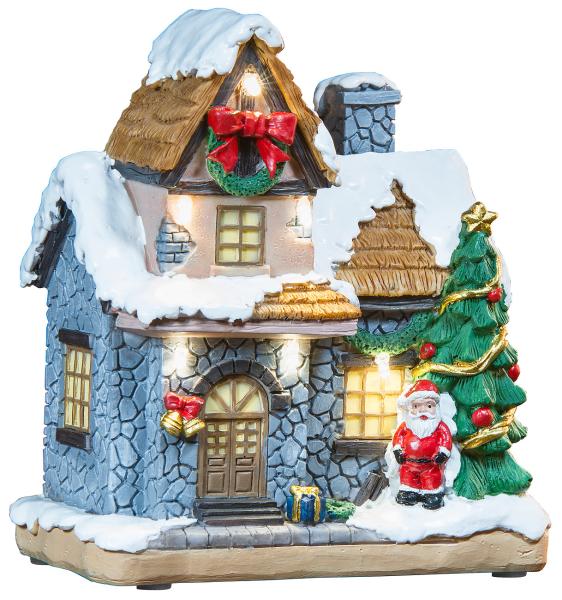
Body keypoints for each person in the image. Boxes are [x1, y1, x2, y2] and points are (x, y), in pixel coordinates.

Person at [392, 379, 452, 509]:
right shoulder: (406, 425)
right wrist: (397, 450)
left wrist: (442, 453)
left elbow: (446, 439)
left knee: (431, 480)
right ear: (410, 408)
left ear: (436, 408)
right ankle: (409, 492)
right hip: (408, 465)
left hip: (430, 466)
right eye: (416, 406)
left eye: (429, 406)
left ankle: (431, 494)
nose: (422, 410)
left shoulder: (440, 427)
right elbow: (398, 438)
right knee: (408, 480)